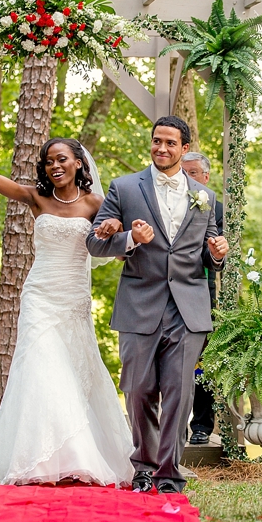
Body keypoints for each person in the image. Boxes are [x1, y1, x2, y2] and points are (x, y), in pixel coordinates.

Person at [0, 104, 135, 488]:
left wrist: (113, 229)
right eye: (48, 162)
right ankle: (35, 460)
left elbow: (110, 243)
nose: (54, 166)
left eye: (61, 160)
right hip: (39, 296)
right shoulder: (36, 198)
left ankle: (75, 457)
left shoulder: (93, 204)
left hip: (74, 299)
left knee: (73, 373)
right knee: (42, 370)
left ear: (77, 164)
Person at [86, 117, 228, 494]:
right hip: (139, 305)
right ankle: (143, 467)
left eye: (170, 143)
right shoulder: (124, 187)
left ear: (184, 148)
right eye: (156, 141)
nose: (161, 149)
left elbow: (212, 248)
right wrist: (130, 238)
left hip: (188, 308)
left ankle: (168, 474)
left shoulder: (207, 198)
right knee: (138, 390)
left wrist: (217, 254)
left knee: (179, 393)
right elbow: (95, 243)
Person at [181, 151, 224, 446]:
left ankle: (201, 425)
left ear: (206, 177)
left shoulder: (215, 207)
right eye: (184, 172)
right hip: (168, 291)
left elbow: (217, 252)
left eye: (194, 173)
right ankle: (172, 426)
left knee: (202, 361)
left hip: (201, 291)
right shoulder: (167, 203)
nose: (188, 178)